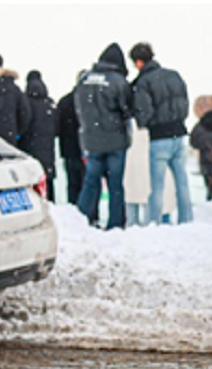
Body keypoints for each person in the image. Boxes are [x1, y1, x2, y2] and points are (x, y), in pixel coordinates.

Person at [129, 42, 193, 225]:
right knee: (182, 182)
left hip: (159, 138)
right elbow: (184, 102)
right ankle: (186, 219)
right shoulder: (174, 75)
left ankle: (154, 222)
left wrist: (145, 123)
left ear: (139, 62)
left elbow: (144, 110)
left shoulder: (144, 81)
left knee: (157, 185)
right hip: (179, 135)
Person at [75, 43, 132, 230]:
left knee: (91, 182)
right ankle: (115, 224)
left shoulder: (84, 79)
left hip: (91, 141)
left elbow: (79, 108)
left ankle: (81, 220)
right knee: (115, 185)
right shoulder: (118, 81)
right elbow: (127, 109)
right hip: (115, 140)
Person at [18, 71, 59, 203]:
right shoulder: (50, 103)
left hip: (29, 145)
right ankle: (51, 202)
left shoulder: (25, 103)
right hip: (48, 147)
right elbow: (57, 126)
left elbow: (23, 123)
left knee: (33, 177)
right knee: (48, 177)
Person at [58, 71, 88, 207]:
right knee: (88, 184)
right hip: (87, 149)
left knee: (72, 184)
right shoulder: (89, 100)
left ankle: (73, 211)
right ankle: (90, 215)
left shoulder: (64, 101)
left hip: (68, 149)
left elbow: (57, 127)